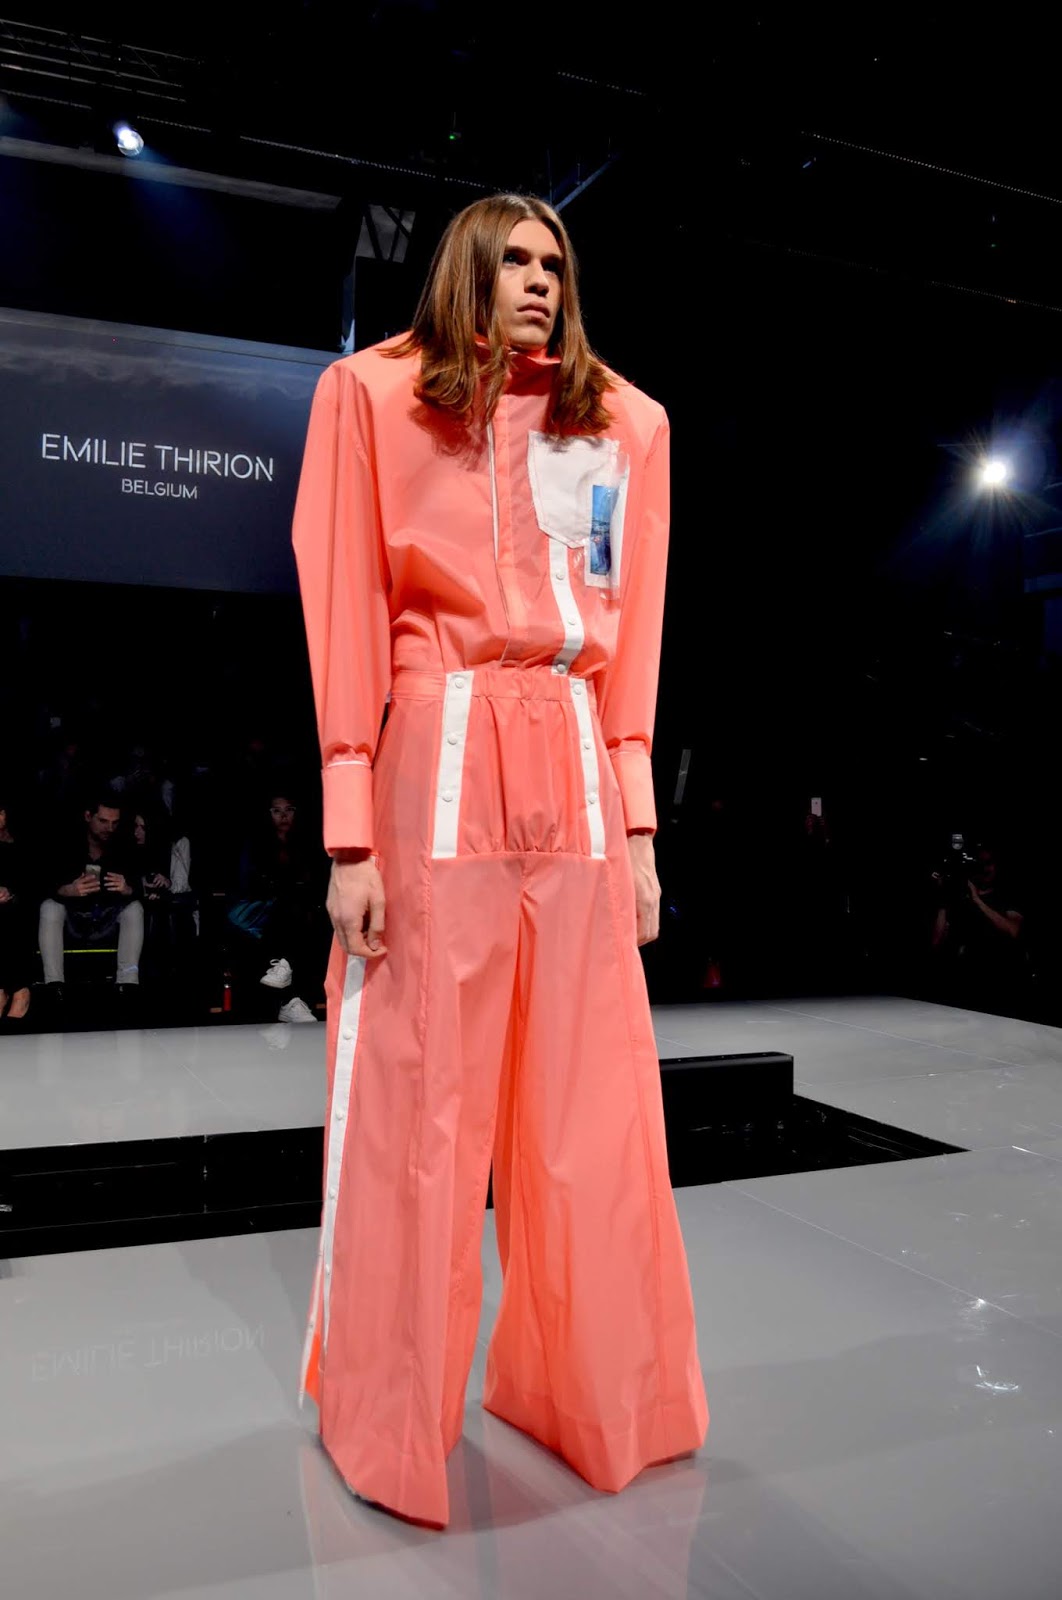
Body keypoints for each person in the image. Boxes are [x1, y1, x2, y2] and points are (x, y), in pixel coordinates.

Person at [291, 193, 708, 1527]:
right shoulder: (370, 396)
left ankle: (596, 1401)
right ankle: (390, 1421)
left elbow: (631, 623)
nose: (538, 280)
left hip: (573, 756)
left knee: (594, 1112)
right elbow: (346, 602)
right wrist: (348, 830)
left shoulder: (626, 424)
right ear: (466, 265)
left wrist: (636, 823)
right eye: (515, 258)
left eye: (555, 262)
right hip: (442, 746)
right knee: (421, 1109)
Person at [38, 789, 144, 1001]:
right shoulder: (66, 843)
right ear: (88, 816)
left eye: (115, 822)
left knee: (134, 909)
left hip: (107, 921)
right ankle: (54, 984)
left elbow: (139, 890)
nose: (109, 828)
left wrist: (128, 889)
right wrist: (67, 890)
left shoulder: (124, 845)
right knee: (50, 907)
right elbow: (41, 885)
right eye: (103, 821)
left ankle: (127, 983)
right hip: (74, 921)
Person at [235, 791, 329, 1024]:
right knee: (293, 910)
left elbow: (315, 880)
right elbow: (250, 882)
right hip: (256, 909)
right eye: (277, 811)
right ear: (268, 815)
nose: (283, 816)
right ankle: (288, 995)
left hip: (296, 908)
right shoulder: (257, 844)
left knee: (308, 917)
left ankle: (291, 992)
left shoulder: (307, 844)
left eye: (289, 810)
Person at [930, 839, 1025, 1011]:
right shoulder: (960, 898)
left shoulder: (1008, 896)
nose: (985, 869)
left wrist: (977, 900)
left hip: (1001, 986)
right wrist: (943, 896)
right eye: (980, 864)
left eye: (989, 863)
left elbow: (1013, 930)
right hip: (964, 988)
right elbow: (936, 942)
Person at [0, 792, 34, 1020]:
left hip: (17, 906)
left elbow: (32, 884)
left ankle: (18, 989)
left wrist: (10, 893)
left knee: (13, 914)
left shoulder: (22, 846)